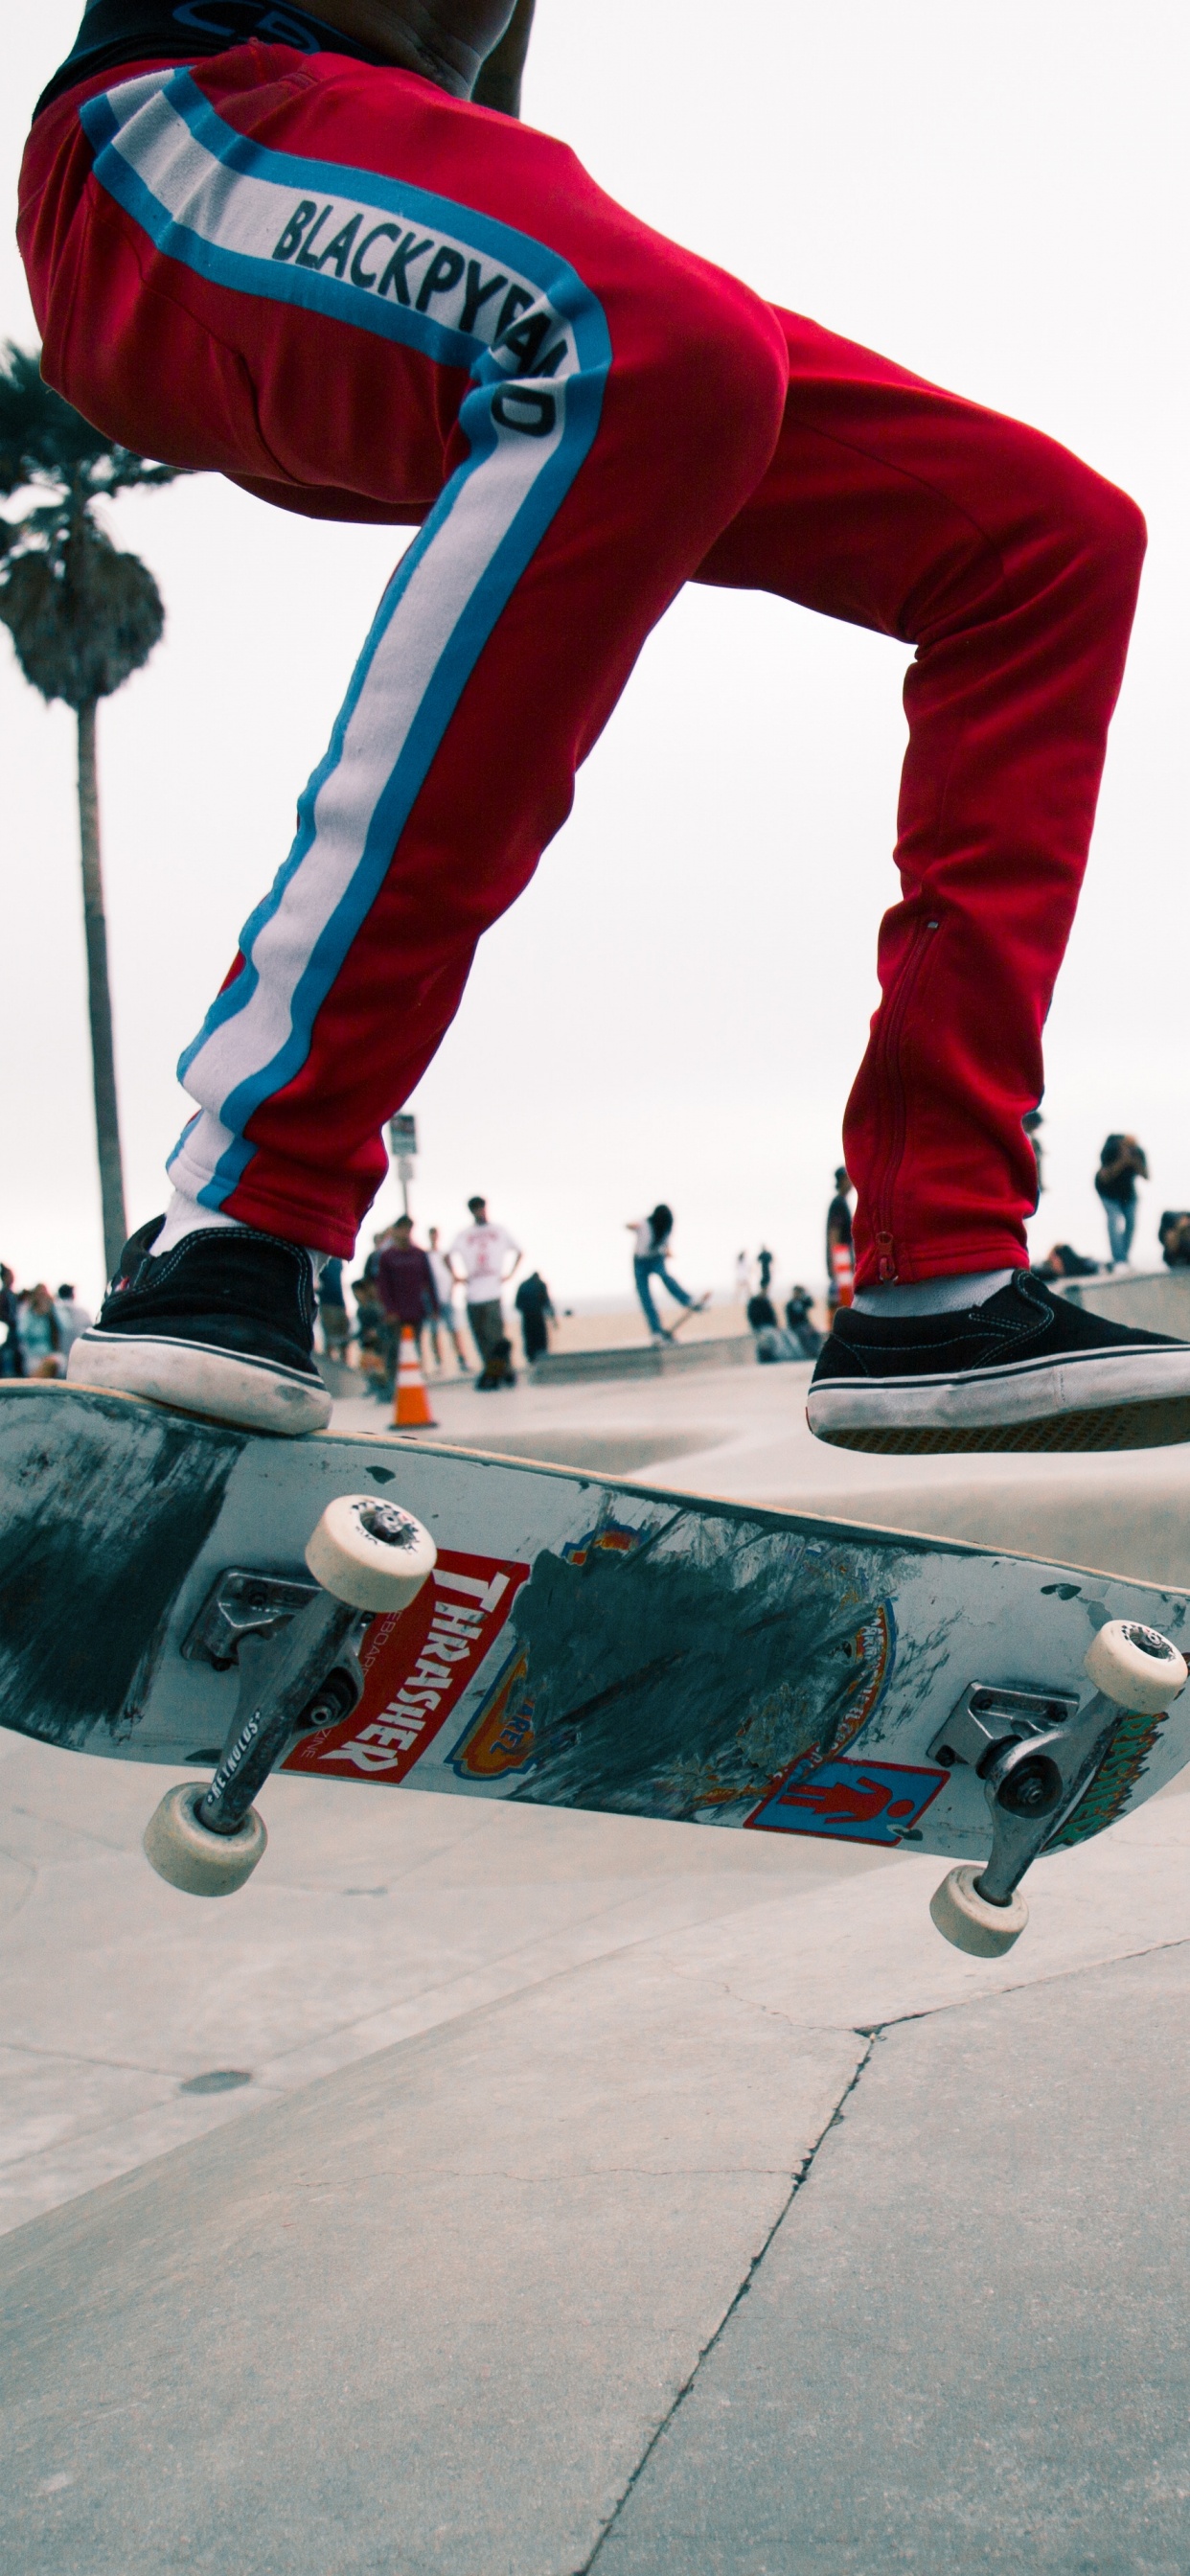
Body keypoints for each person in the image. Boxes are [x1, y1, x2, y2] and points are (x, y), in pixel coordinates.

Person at [27, 2, 1190, 1455]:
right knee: (652, 339)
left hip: (382, 215)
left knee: (1046, 538)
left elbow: (480, 117)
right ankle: (240, 1207)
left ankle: (935, 1269)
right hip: (167, 155)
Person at [449, 1197, 521, 1370]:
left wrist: (509, 1274)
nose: (479, 1212)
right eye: (475, 1209)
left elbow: (519, 1251)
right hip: (473, 1293)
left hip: (492, 1293)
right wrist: (457, 1276)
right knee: (480, 1335)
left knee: (496, 1335)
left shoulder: (499, 1230)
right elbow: (448, 1255)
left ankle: (504, 1369)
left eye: (480, 1208)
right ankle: (491, 1369)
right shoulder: (465, 1234)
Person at [629, 1208, 704, 1343]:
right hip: (640, 1261)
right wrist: (632, 1226)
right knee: (645, 1296)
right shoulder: (645, 1224)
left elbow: (666, 1245)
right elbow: (631, 1226)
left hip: (656, 1258)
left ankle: (688, 1300)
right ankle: (656, 1331)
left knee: (666, 1278)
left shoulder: (665, 1229)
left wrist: (668, 1252)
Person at [378, 1213, 438, 1368]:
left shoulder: (419, 1254)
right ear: (396, 1231)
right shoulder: (387, 1256)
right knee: (396, 1350)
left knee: (414, 1348)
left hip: (416, 1310)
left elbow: (429, 1281)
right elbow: (383, 1286)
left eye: (408, 1229)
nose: (405, 1233)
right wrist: (389, 1310)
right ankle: (394, 1387)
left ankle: (413, 1381)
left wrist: (434, 1306)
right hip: (396, 1313)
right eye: (402, 1229)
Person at [1095, 1134, 1148, 1269]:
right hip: (1107, 1191)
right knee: (1113, 1219)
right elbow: (1105, 1177)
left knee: (1131, 1222)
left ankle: (1124, 1256)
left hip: (1127, 1192)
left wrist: (1134, 1161)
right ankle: (1118, 1259)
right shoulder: (1110, 1150)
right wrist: (1122, 1161)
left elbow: (1146, 1175)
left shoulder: (1138, 1153)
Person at [426, 1225, 467, 1370]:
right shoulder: (426, 1256)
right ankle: (438, 1362)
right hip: (433, 1300)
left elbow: (453, 1274)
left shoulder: (444, 1255)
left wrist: (452, 1291)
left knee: (454, 1330)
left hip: (447, 1298)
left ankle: (461, 1359)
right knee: (434, 1332)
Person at [17, 1283, 63, 1378]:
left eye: (44, 1295)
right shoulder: (27, 1311)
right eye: (39, 1295)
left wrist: (53, 1308)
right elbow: (22, 1332)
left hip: (51, 1353)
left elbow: (65, 1326)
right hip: (33, 1356)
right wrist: (34, 1312)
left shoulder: (52, 1311)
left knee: (57, 1362)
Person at [825, 1169, 855, 1312]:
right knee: (844, 1303)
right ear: (843, 1180)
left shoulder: (841, 1203)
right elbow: (834, 1235)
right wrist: (835, 1264)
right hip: (841, 1259)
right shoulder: (838, 1204)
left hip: (842, 1259)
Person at [515, 1267, 554, 1363]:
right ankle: (540, 1357)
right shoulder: (541, 1285)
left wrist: (525, 1310)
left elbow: (517, 1304)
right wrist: (552, 1317)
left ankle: (531, 1357)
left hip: (527, 1316)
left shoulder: (523, 1285)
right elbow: (546, 1301)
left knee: (529, 1337)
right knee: (540, 1337)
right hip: (538, 1315)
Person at [317, 1255, 351, 1360]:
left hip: (339, 1301)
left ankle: (342, 1361)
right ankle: (329, 1361)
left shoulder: (337, 1260)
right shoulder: (322, 1258)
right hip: (328, 1301)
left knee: (343, 1336)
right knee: (330, 1337)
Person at [54, 1284, 94, 1361]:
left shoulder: (54, 1312)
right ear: (73, 1295)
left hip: (60, 1358)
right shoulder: (82, 1312)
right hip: (81, 1355)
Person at [784, 1285, 823, 1360]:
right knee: (804, 1334)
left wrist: (807, 1293)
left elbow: (812, 1304)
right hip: (796, 1326)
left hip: (805, 1325)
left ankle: (816, 1351)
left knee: (816, 1333)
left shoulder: (802, 1302)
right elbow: (790, 1319)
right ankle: (809, 1353)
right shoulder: (790, 1305)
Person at [0, 1267, 24, 1379]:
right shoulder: (3, 1295)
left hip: (16, 1331)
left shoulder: (13, 1295)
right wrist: (11, 1321)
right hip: (9, 1331)